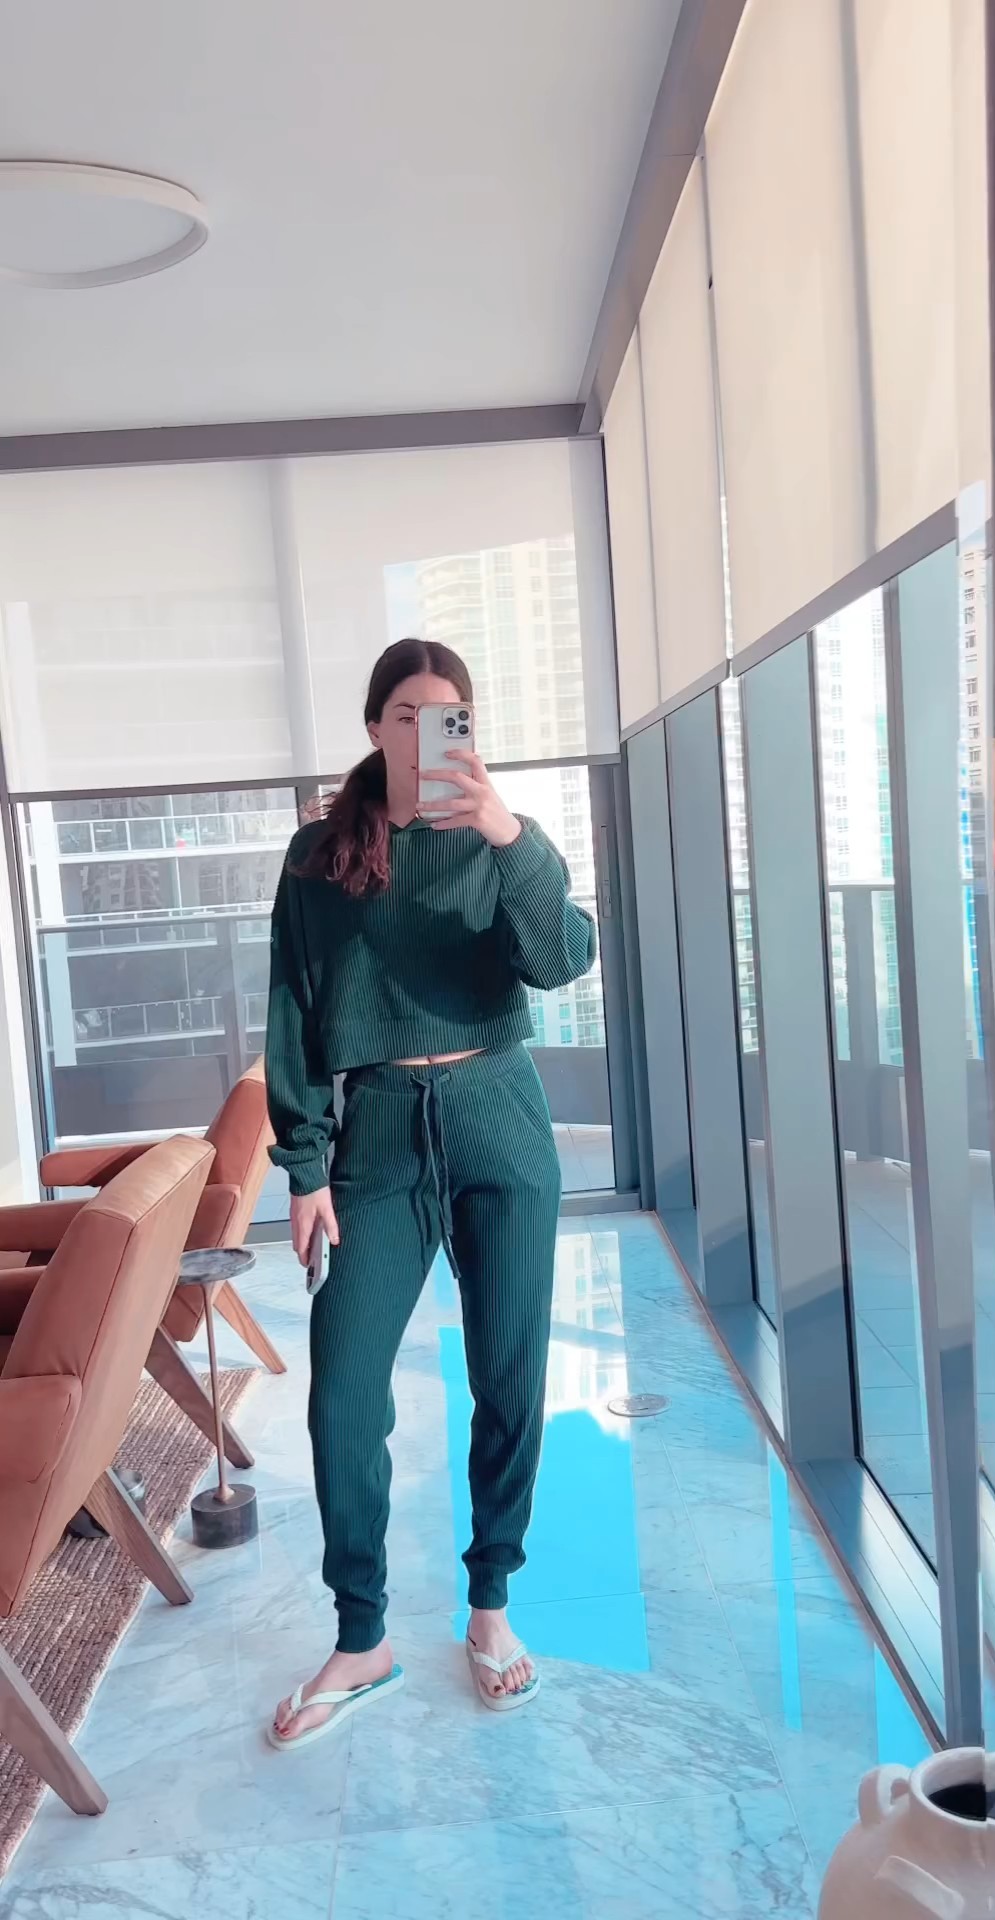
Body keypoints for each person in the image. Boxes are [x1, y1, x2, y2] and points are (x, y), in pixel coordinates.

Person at [265, 637, 596, 1747]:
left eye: (445, 715)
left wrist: (509, 835)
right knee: (344, 1392)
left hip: (499, 1111)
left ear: (469, 729)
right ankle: (362, 1637)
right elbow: (292, 1006)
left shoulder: (500, 840)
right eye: (404, 714)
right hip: (379, 1134)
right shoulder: (320, 857)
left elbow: (563, 959)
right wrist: (305, 1165)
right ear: (374, 726)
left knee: (510, 1375)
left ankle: (490, 1604)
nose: (422, 734)